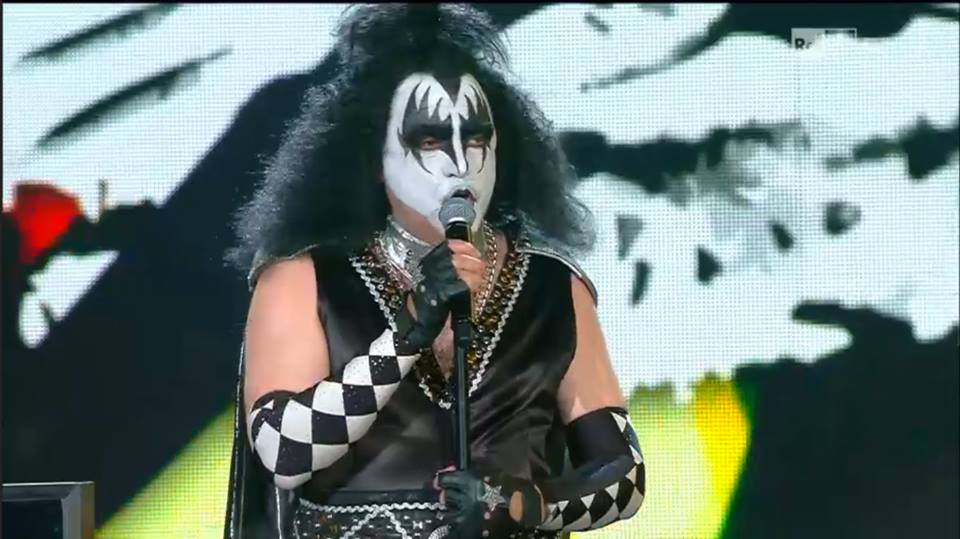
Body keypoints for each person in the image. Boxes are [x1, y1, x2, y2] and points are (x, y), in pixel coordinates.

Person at [223, 4, 645, 538]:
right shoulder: (301, 280)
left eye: (476, 138)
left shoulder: (554, 287)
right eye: (429, 141)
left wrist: (527, 506)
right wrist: (405, 337)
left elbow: (624, 476)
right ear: (375, 160)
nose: (460, 163)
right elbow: (282, 452)